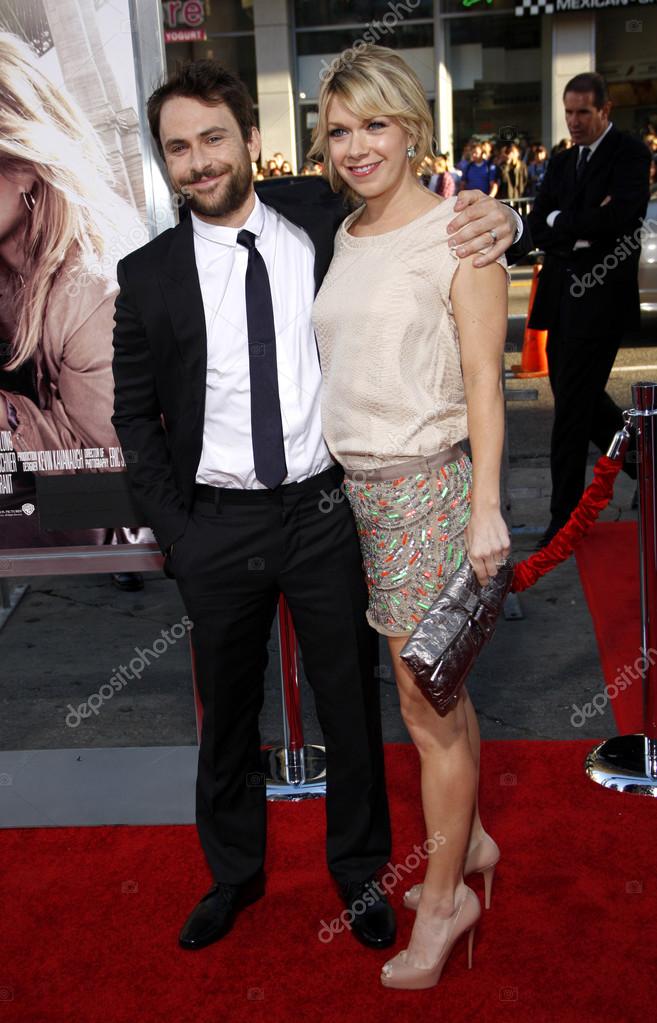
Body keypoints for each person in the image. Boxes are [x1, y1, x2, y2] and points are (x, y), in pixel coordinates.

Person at [111, 58, 526, 955]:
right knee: (226, 712)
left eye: (214, 138)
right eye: (178, 148)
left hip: (326, 510)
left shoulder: (319, 215)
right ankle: (234, 877)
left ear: (249, 141)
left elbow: (427, 222)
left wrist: (507, 212)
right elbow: (132, 420)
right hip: (214, 524)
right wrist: (177, 534)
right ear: (165, 163)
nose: (199, 161)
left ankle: (359, 875)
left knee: (351, 702)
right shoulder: (145, 275)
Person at [309, 44, 510, 991]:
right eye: (340, 128)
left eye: (375, 123)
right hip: (364, 499)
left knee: (425, 711)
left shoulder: (458, 235)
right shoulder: (346, 232)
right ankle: (467, 847)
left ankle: (441, 907)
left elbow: (484, 382)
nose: (357, 145)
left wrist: (484, 508)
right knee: (437, 698)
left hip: (427, 492)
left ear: (412, 127)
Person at [0, 31, 146, 583]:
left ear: (25, 164)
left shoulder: (93, 291)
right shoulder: (8, 261)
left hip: (103, 508)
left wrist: (7, 417)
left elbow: (106, 480)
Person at [528, 72, 649, 547]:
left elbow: (621, 218)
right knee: (579, 397)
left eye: (583, 113)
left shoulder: (631, 153)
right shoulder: (561, 162)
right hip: (560, 299)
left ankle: (564, 523)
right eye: (569, 112)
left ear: (606, 110)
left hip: (600, 301)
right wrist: (574, 225)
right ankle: (644, 462)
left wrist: (568, 223)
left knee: (572, 414)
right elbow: (539, 223)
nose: (574, 122)